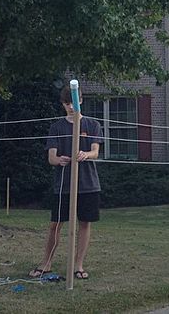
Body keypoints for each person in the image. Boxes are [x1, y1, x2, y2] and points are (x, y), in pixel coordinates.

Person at [28, 85, 103, 280]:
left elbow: (95, 151)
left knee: (84, 223)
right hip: (63, 184)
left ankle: (78, 265)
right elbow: (51, 158)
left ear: (81, 101)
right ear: (62, 104)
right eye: (67, 103)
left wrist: (85, 154)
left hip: (88, 184)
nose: (71, 107)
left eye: (74, 102)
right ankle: (46, 263)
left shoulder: (92, 124)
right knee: (55, 224)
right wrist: (60, 159)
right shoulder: (57, 127)